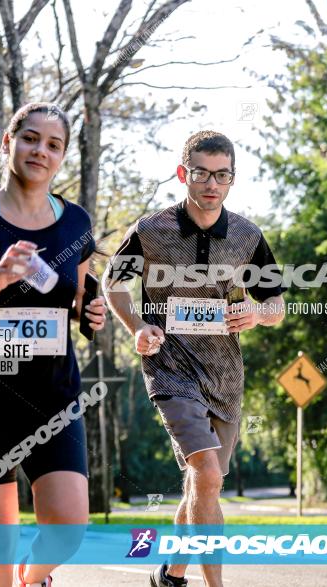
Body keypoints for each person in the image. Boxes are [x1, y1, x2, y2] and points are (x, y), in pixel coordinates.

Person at [0, 102, 107, 587]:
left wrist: (87, 311)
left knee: (69, 527)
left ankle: (32, 581)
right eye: (30, 138)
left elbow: (76, 297)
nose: (41, 151)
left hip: (52, 394)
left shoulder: (75, 223)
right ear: (8, 143)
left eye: (54, 145)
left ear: (63, 157)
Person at [103, 131, 286, 587]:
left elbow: (276, 306)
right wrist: (138, 328)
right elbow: (112, 283)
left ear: (232, 180)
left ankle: (171, 573)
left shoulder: (247, 236)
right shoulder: (151, 230)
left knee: (204, 483)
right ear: (184, 173)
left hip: (224, 376)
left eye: (221, 175)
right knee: (205, 471)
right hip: (169, 368)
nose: (211, 184)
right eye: (202, 173)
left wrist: (256, 312)